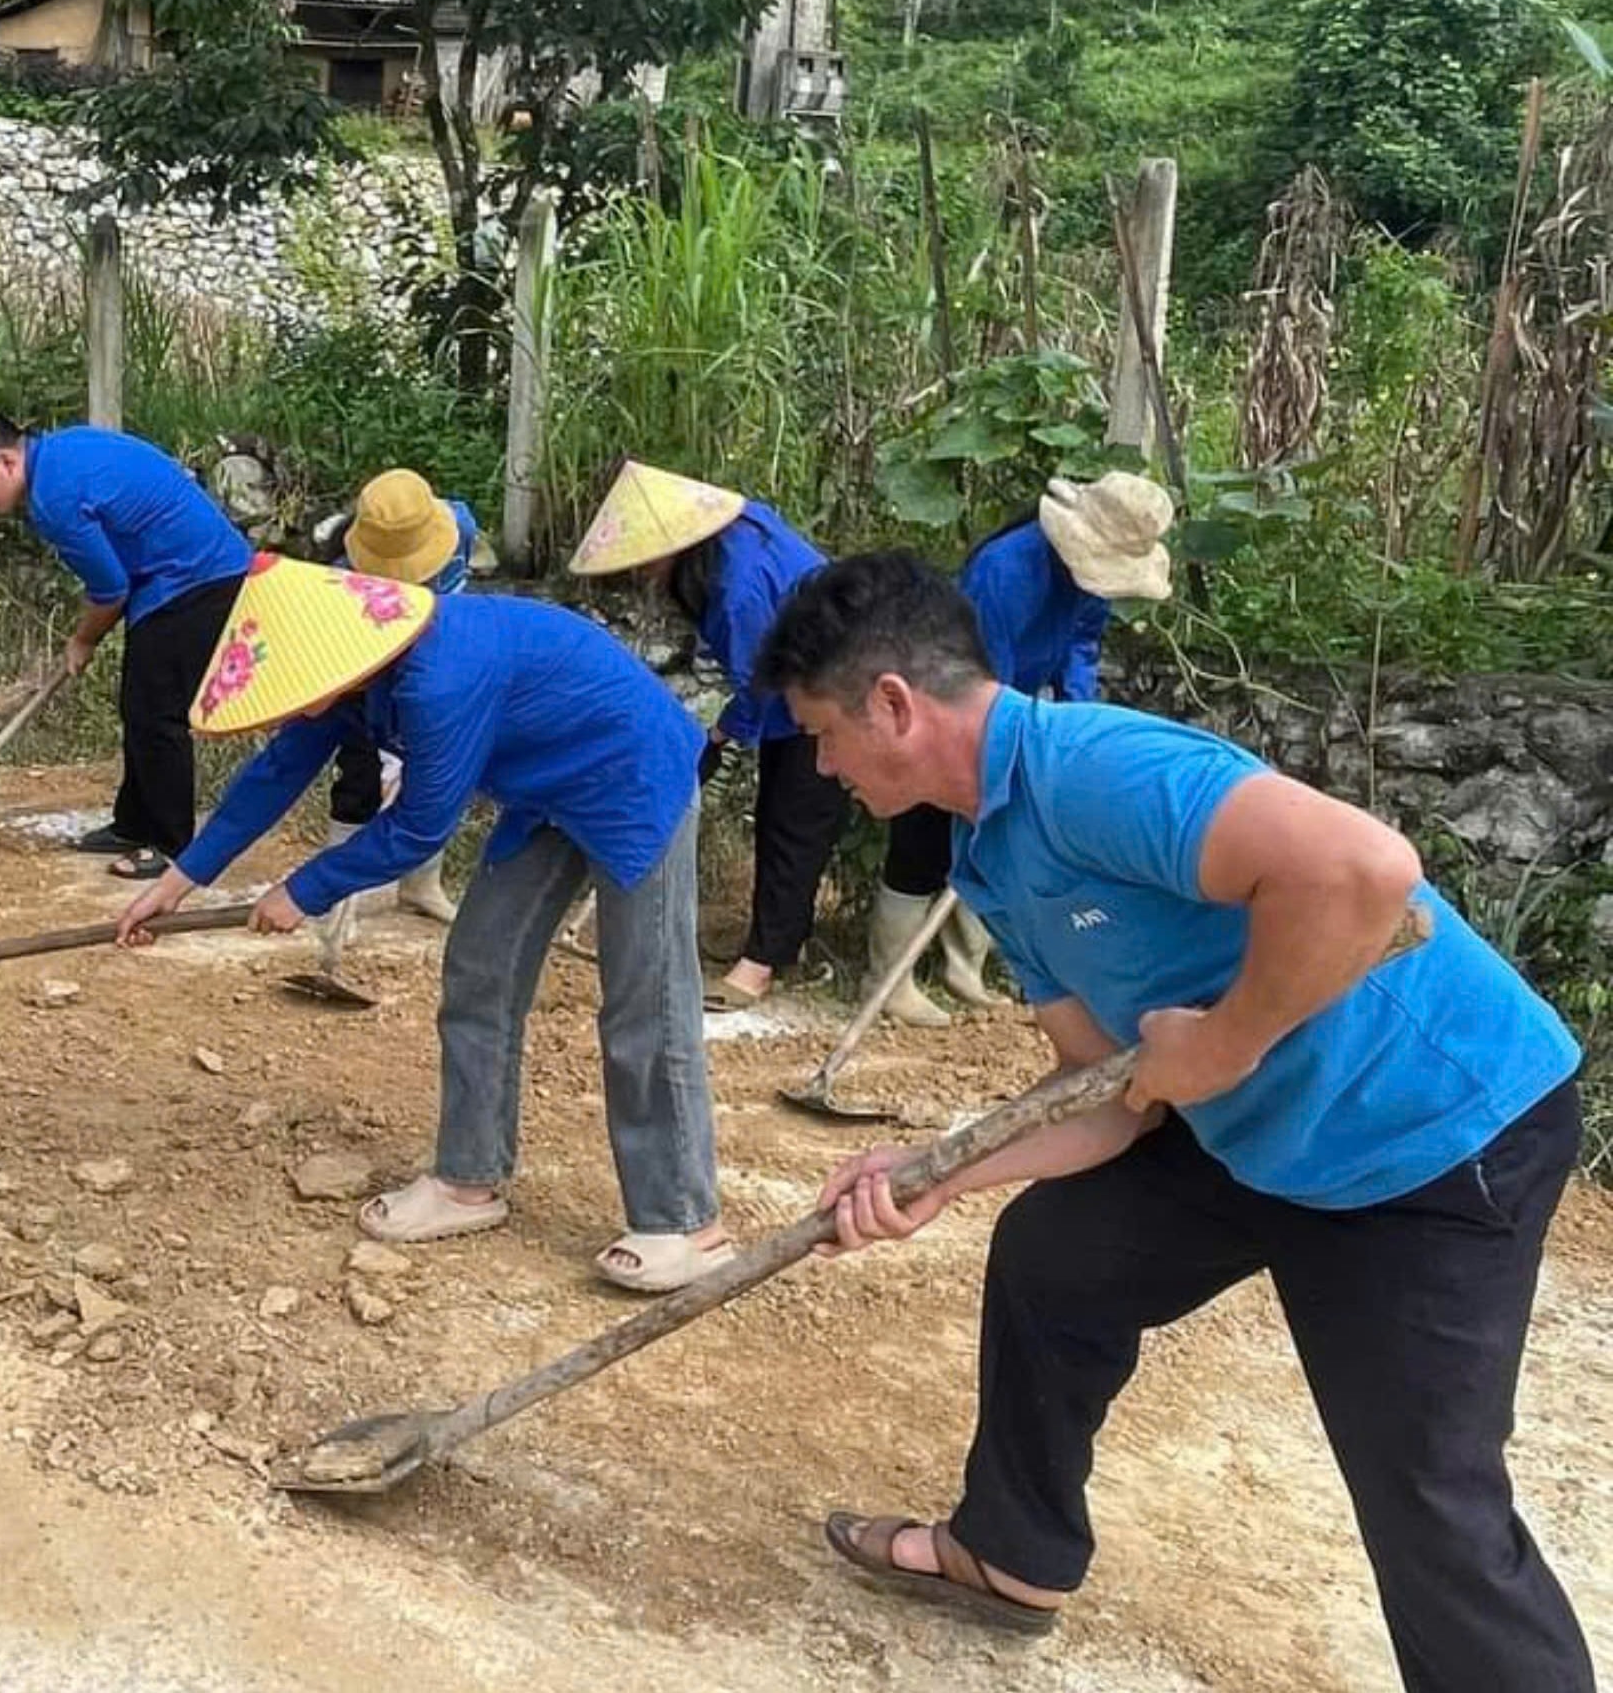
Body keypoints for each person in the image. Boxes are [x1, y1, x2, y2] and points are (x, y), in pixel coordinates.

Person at [759, 552, 1588, 1688]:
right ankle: (1011, 1553)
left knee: (1429, 1496)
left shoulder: (1097, 770)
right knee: (1059, 1256)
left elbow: (1364, 870)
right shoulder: (990, 855)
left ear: (892, 706)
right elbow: (1109, 1099)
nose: (823, 763)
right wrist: (940, 1175)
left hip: (1430, 1136)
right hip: (1255, 1133)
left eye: (824, 733)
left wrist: (1230, 1041)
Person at [117, 555, 730, 1294]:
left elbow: (417, 830)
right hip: (545, 792)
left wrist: (303, 890)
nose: (291, 708)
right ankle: (469, 1180)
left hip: (634, 775)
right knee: (480, 967)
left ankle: (685, 1224)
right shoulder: (360, 670)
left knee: (645, 999)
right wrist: (182, 879)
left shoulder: (439, 679)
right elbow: (277, 771)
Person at [876, 470, 1176, 1026]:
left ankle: (965, 967)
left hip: (1016, 709)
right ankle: (888, 979)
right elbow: (979, 667)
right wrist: (1003, 737)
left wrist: (1069, 717)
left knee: (995, 837)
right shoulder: (1004, 569)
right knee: (922, 838)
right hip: (948, 704)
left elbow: (1081, 645)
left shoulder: (1087, 581)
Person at [569, 458, 842, 1010]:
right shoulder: (731, 540)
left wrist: (720, 734)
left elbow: (761, 683)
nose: (643, 570)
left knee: (793, 822)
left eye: (649, 559)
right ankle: (772, 947)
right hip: (797, 680)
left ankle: (762, 965)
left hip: (832, 685)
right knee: (778, 818)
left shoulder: (738, 587)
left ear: (680, 542)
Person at [0, 407, 251, 880]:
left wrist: (82, 640)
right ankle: (133, 824)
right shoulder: (60, 454)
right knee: (139, 705)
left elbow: (110, 589)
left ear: (6, 461)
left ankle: (170, 846)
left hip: (197, 576)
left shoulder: (54, 497)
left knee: (157, 713)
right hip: (170, 574)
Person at [317, 466, 484, 933]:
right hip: (365, 664)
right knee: (360, 771)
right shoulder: (341, 574)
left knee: (437, 777)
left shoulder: (460, 528)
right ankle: (334, 899)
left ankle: (422, 886)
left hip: (436, 660)